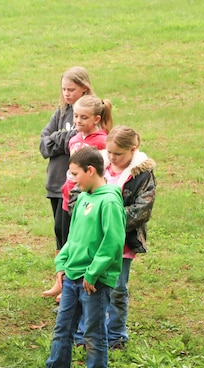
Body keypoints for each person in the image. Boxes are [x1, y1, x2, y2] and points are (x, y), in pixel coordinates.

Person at [24, 146, 125, 368]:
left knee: (93, 334)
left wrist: (92, 274)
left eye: (75, 173)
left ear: (91, 170)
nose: (72, 179)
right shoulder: (82, 198)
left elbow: (112, 243)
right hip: (72, 277)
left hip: (93, 282)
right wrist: (62, 264)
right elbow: (73, 239)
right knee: (62, 329)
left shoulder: (110, 200)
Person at [77, 126, 156, 350]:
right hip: (92, 242)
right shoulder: (98, 165)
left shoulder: (142, 174)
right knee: (89, 286)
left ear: (133, 149)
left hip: (121, 243)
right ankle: (85, 333)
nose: (112, 157)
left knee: (117, 289)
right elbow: (78, 193)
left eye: (118, 154)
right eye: (109, 152)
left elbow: (143, 209)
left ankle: (116, 334)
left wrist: (109, 222)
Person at [43, 94, 113, 298]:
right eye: (76, 117)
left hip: (85, 200)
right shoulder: (74, 139)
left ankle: (73, 284)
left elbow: (102, 173)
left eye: (84, 117)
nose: (78, 121)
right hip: (67, 197)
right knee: (61, 233)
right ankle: (61, 280)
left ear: (96, 119)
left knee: (76, 239)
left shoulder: (101, 141)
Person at [39, 67, 94, 254]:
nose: (66, 93)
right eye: (63, 89)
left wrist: (61, 138)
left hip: (76, 186)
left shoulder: (92, 111)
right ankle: (61, 275)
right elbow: (44, 144)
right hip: (55, 183)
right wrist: (65, 139)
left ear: (84, 88)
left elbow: (83, 139)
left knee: (74, 233)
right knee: (59, 232)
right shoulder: (61, 112)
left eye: (71, 89)